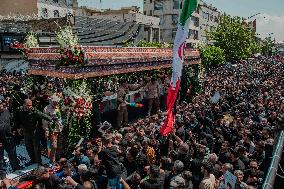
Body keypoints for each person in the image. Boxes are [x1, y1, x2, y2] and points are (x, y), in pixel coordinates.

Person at [15, 99, 53, 166]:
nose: (30, 107)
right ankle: (33, 160)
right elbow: (17, 119)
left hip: (34, 132)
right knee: (28, 147)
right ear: (24, 105)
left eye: (31, 105)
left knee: (36, 148)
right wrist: (18, 128)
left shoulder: (34, 110)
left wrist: (51, 119)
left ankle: (39, 162)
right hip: (26, 132)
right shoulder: (20, 110)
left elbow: (42, 115)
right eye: (28, 105)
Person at [0, 102, 22, 173]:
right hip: (0, 141)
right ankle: (2, 174)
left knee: (13, 154)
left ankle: (16, 168)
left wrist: (14, 130)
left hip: (9, 138)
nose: (1, 108)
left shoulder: (7, 111)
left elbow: (12, 121)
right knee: (0, 158)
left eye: (1, 106)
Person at [42, 94, 63, 164]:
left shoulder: (57, 107)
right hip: (52, 129)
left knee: (57, 146)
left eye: (57, 102)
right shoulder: (46, 109)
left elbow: (59, 118)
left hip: (59, 129)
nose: (56, 103)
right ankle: (52, 160)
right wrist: (46, 130)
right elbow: (44, 121)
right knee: (54, 146)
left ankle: (54, 159)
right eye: (55, 102)